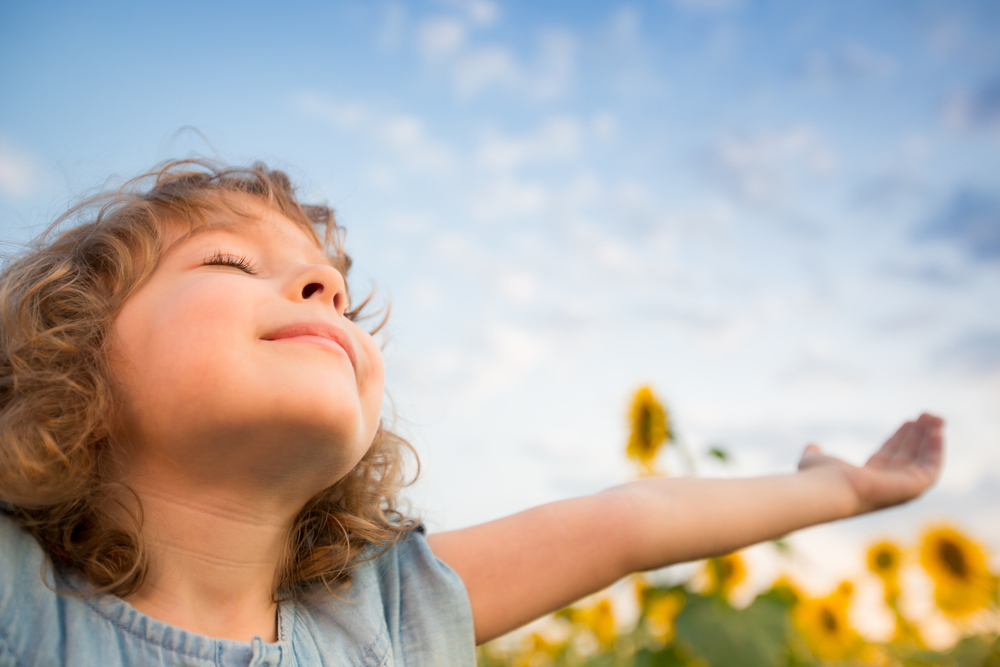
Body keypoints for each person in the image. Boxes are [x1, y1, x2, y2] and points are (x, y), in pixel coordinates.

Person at [0, 159, 944, 667]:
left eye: (330, 291)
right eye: (231, 263)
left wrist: (842, 489)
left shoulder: (384, 613)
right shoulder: (25, 607)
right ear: (67, 353)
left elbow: (629, 522)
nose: (322, 287)